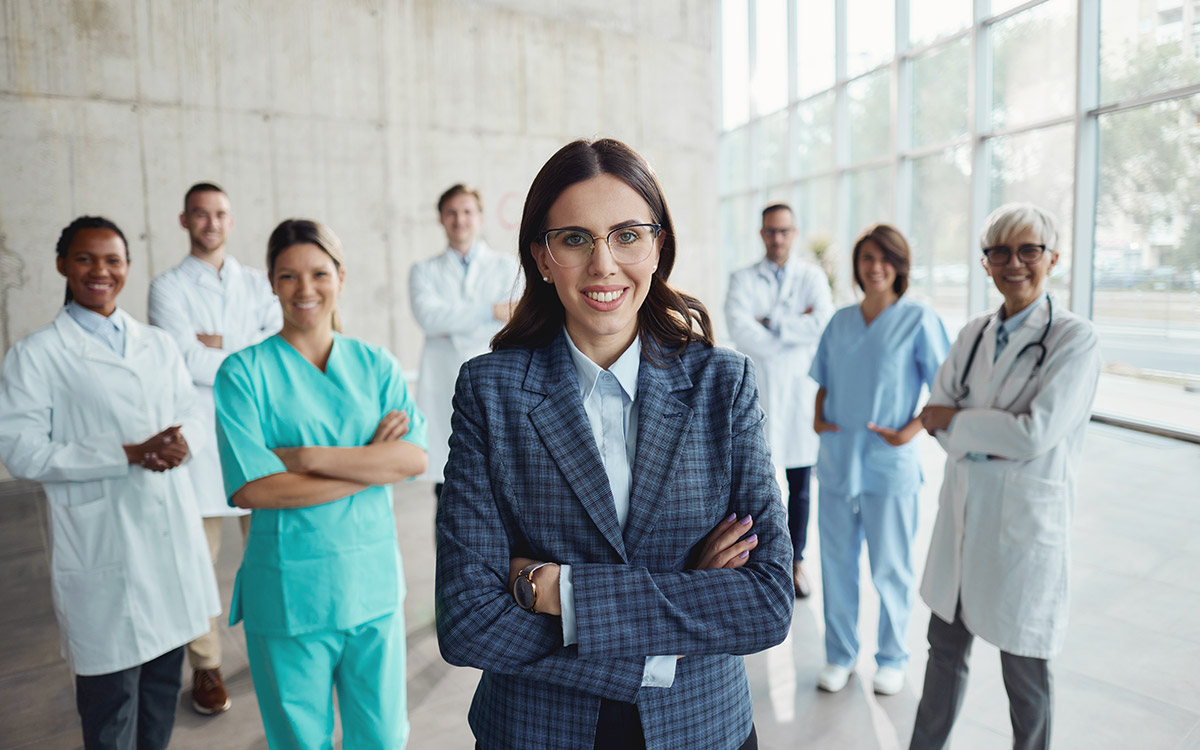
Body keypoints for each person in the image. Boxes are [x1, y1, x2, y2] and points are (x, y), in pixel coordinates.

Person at [435, 138, 793, 750]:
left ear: (658, 246)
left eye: (627, 234)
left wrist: (560, 592)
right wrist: (674, 621)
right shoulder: (489, 392)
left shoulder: (721, 384)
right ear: (543, 258)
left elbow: (765, 601)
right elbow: (469, 622)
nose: (603, 264)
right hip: (537, 731)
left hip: (702, 728)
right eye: (575, 239)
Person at [0, 216, 219, 750]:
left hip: (167, 540)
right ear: (61, 266)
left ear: (126, 267)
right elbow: (18, 449)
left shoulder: (157, 344)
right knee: (111, 706)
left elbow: (190, 408)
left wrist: (183, 440)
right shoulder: (37, 354)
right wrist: (127, 453)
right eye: (85, 258)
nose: (101, 270)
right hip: (102, 548)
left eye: (113, 260)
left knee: (162, 690)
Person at [213, 219, 428, 749]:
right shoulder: (243, 374)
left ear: (341, 276)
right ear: (271, 281)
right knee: (299, 740)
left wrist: (308, 458)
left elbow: (412, 459)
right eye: (288, 276)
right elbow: (255, 490)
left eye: (318, 273)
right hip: (290, 595)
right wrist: (367, 464)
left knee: (380, 738)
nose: (304, 289)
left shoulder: (375, 364)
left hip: (371, 586)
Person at [910, 204, 1101, 750]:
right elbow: (933, 416)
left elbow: (1033, 435)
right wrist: (981, 432)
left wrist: (961, 425)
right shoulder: (972, 334)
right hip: (963, 522)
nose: (1013, 262)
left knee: (1025, 678)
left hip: (1023, 533)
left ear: (1053, 259)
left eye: (1028, 250)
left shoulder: (1074, 339)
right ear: (985, 263)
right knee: (943, 656)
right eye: (999, 251)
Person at [147, 181, 281, 715]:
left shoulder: (257, 283)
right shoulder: (167, 287)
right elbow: (180, 359)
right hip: (198, 440)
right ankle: (205, 666)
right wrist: (244, 347)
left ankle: (272, 648)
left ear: (231, 220)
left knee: (270, 555)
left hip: (260, 436)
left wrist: (220, 343)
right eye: (200, 214)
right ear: (184, 221)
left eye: (219, 213)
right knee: (195, 565)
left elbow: (279, 348)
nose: (210, 223)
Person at [808, 224, 949, 696]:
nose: (875, 267)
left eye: (885, 258)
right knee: (836, 563)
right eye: (867, 258)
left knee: (891, 567)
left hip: (888, 466)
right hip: (836, 462)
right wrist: (818, 417)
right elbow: (823, 377)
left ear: (900, 265)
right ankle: (840, 655)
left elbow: (945, 392)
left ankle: (891, 657)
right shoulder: (841, 319)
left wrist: (908, 431)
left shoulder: (917, 319)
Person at [725, 202, 833, 598]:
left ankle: (796, 562)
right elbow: (741, 330)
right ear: (761, 233)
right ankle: (761, 562)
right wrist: (792, 330)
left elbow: (822, 322)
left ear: (795, 232)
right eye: (771, 231)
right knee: (759, 484)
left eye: (784, 231)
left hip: (801, 396)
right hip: (763, 394)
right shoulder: (742, 278)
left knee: (800, 486)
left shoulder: (812, 276)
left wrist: (771, 322)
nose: (778, 238)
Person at [409, 184, 522, 497]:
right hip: (444, 382)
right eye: (452, 213)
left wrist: (452, 321)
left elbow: (514, 315)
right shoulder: (423, 271)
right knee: (449, 490)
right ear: (441, 219)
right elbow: (429, 318)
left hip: (494, 379)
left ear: (480, 217)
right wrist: (489, 311)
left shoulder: (506, 267)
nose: (460, 219)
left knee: (501, 483)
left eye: (467, 212)